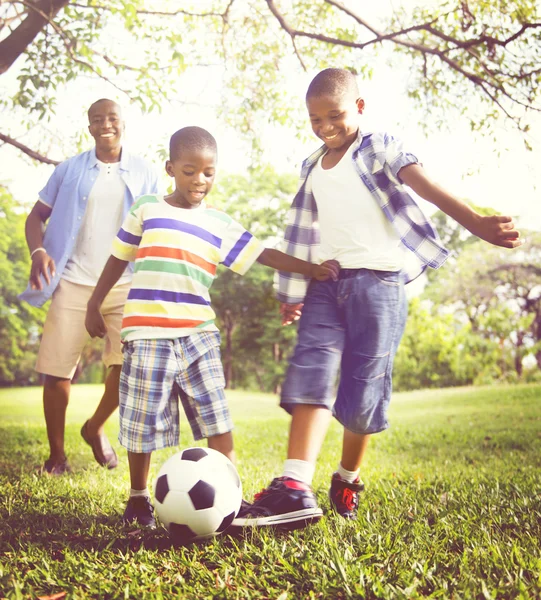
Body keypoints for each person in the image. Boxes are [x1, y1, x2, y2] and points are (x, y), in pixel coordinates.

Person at [234, 68, 523, 530]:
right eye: (315, 119)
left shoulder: (379, 147)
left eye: (336, 115)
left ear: (360, 109)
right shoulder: (311, 167)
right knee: (311, 366)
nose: (325, 126)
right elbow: (301, 233)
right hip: (327, 282)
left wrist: (475, 223)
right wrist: (293, 293)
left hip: (380, 284)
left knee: (365, 388)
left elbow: (423, 184)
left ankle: (347, 478)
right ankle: (293, 485)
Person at [84, 126, 340, 528]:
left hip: (199, 336)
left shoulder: (219, 224)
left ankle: (232, 502)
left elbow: (264, 254)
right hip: (146, 335)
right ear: (170, 168)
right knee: (141, 424)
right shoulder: (147, 209)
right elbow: (118, 258)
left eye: (208, 172)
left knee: (217, 420)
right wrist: (94, 303)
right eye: (189, 171)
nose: (199, 181)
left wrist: (310, 268)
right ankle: (138, 498)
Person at [20, 99, 160, 475]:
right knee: (56, 370)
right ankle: (57, 456)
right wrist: (38, 251)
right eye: (97, 119)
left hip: (125, 283)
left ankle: (94, 426)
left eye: (112, 118)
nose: (105, 124)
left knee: (126, 365)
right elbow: (36, 216)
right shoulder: (70, 170)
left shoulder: (145, 172)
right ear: (89, 128)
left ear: (123, 123)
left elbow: (157, 226)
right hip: (72, 281)